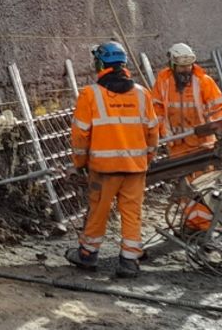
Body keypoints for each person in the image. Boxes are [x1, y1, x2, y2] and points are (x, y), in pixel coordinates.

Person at [67, 40, 160, 278]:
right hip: (135, 168)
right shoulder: (142, 94)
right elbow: (152, 131)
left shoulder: (90, 94)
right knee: (132, 213)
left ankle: (88, 255)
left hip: (104, 169)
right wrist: (147, 158)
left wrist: (79, 164)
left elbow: (80, 135)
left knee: (98, 211)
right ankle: (129, 261)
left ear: (100, 64)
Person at [153, 43, 222, 231]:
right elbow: (156, 110)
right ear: (172, 64)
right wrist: (157, 134)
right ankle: (191, 222)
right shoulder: (163, 81)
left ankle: (203, 225)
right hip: (176, 144)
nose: (185, 70)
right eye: (181, 66)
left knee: (203, 185)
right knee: (184, 186)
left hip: (202, 144)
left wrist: (219, 128)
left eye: (188, 66)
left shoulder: (203, 81)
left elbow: (219, 109)